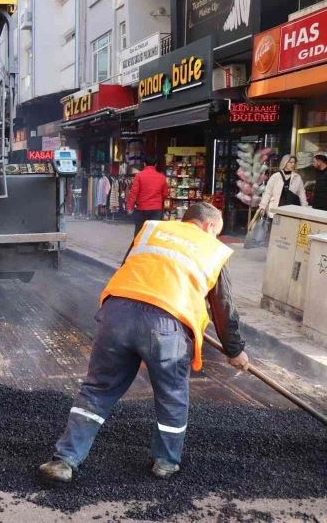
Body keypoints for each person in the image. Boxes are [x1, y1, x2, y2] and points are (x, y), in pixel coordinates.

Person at [39, 203, 250, 483]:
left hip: (117, 314)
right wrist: (235, 350)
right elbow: (223, 307)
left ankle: (64, 460)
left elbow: (132, 269)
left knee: (98, 389)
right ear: (209, 226)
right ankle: (165, 462)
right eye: (217, 232)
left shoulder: (151, 230)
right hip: (165, 327)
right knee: (171, 396)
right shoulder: (213, 249)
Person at [124, 157, 169, 263]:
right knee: (154, 232)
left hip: (141, 209)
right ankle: (152, 255)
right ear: (156, 164)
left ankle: (137, 255)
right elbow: (165, 194)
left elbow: (133, 193)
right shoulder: (161, 177)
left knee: (139, 232)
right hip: (156, 210)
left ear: (144, 164)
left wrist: (129, 207)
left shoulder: (139, 176)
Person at [259, 154, 308, 219]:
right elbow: (268, 193)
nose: (293, 164)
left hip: (291, 211)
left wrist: (305, 210)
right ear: (285, 163)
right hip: (276, 210)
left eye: (294, 162)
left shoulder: (297, 178)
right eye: (290, 162)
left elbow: (302, 195)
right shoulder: (275, 176)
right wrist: (262, 207)